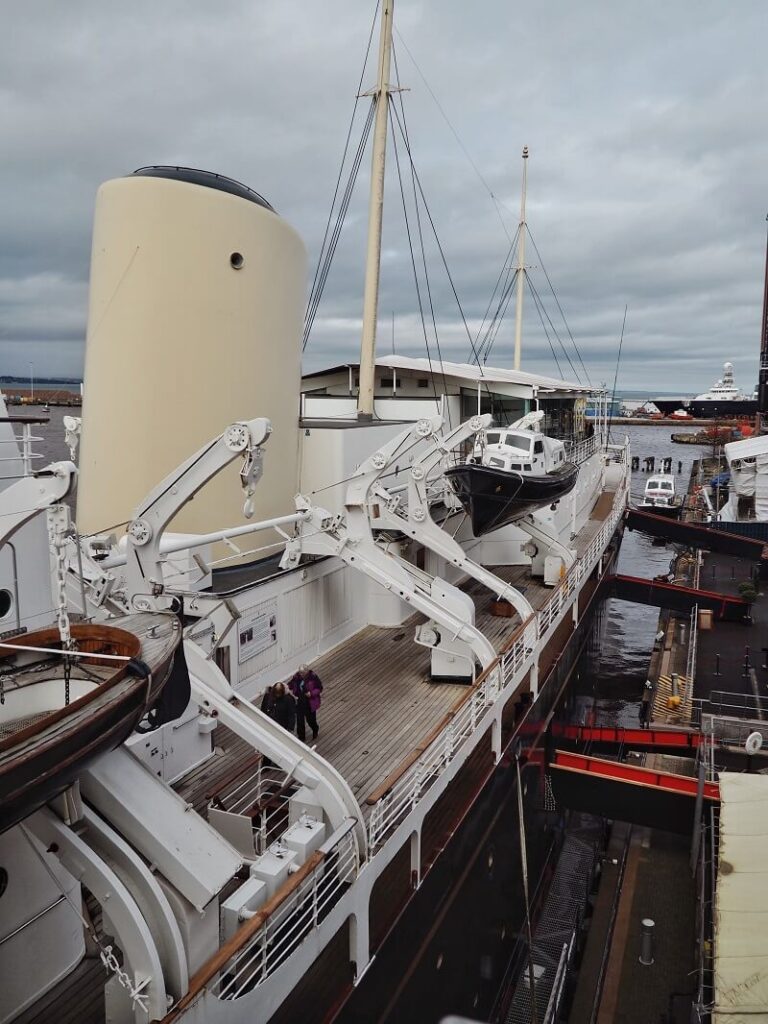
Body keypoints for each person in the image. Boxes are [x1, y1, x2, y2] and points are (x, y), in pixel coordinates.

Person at [289, 664, 323, 742]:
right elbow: (291, 684)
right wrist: (286, 688)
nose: (301, 674)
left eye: (302, 672)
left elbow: (319, 688)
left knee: (310, 720)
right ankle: (301, 737)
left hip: (309, 702)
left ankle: (315, 729)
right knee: (300, 720)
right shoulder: (297, 677)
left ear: (307, 672)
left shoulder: (313, 677)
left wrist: (311, 693)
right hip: (299, 700)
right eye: (300, 672)